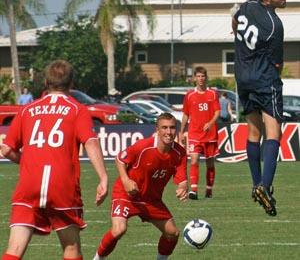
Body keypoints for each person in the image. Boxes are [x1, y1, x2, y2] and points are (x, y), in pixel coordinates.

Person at [1, 60, 108, 260]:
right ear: (71, 84)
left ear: (46, 83)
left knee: (14, 249)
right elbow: (91, 142)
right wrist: (103, 177)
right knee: (71, 248)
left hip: (29, 184)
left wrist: (28, 161)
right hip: (61, 185)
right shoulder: (77, 109)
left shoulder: (27, 109)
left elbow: (6, 149)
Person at [93, 112, 188, 260]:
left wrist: (183, 187)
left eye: (172, 128)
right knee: (119, 230)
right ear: (157, 129)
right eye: (164, 128)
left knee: (172, 233)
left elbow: (182, 179)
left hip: (151, 200)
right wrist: (126, 180)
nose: (168, 132)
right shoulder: (143, 146)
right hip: (127, 195)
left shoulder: (180, 153)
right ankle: (97, 259)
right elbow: (120, 159)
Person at [232, 0, 286, 216]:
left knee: (254, 132)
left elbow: (234, 23)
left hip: (242, 78)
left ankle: (256, 184)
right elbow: (278, 63)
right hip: (265, 80)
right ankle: (265, 185)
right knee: (274, 132)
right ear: (267, 1)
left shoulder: (247, 5)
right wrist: (273, 77)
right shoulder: (275, 25)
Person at [179, 66, 220, 200]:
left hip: (209, 134)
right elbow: (185, 114)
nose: (201, 79)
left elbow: (217, 112)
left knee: (210, 163)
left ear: (206, 77)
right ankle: (194, 190)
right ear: (194, 78)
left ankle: (209, 189)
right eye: (198, 76)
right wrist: (181, 131)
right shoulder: (190, 95)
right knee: (194, 159)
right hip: (194, 133)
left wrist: (210, 123)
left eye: (203, 76)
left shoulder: (212, 94)